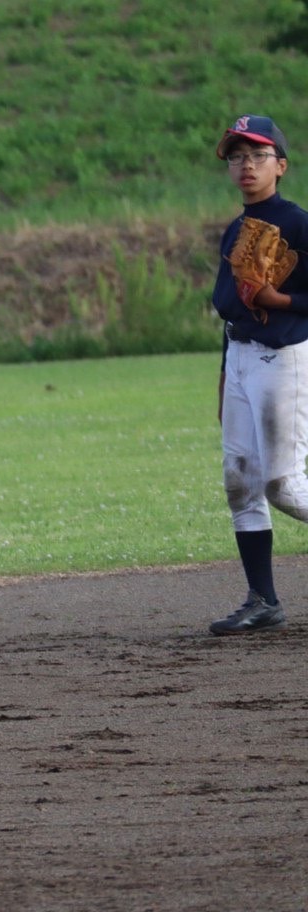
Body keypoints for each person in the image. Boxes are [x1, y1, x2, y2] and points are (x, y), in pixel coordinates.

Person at [209, 115, 308, 635]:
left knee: (285, 486)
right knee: (240, 482)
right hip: (243, 359)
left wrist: (282, 299)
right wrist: (227, 376)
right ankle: (262, 600)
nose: (245, 166)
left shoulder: (298, 223)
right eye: (236, 157)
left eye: (257, 155)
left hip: (283, 357)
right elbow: (231, 310)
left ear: (281, 166)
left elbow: (280, 302)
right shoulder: (234, 229)